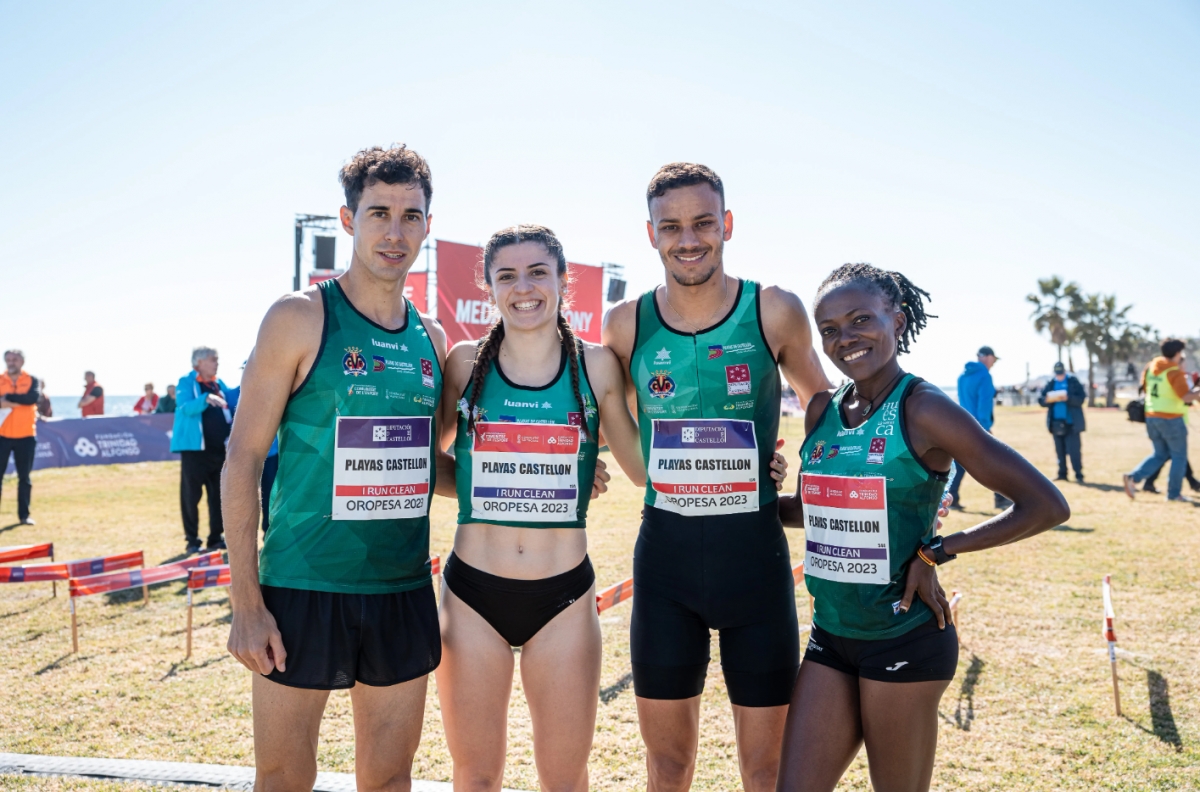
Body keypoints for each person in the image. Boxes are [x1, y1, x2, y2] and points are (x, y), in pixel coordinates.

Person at [775, 263, 1069, 792]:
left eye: (861, 319)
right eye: (831, 330)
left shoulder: (925, 409)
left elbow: (1045, 505)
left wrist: (936, 551)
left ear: (897, 317)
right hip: (830, 636)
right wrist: (740, 500)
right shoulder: (821, 409)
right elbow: (817, 510)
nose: (846, 338)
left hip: (903, 637)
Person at [224, 144, 452, 792]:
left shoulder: (431, 340)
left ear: (427, 228)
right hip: (301, 587)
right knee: (283, 777)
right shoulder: (298, 317)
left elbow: (422, 465)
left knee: (387, 779)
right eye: (378, 212)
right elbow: (240, 462)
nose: (394, 231)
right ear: (348, 220)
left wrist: (546, 480)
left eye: (411, 216)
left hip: (400, 590)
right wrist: (245, 603)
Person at [602, 162, 832, 792]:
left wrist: (804, 489)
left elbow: (827, 411)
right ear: (651, 234)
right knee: (667, 768)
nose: (689, 239)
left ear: (726, 224)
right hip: (665, 572)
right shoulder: (625, 324)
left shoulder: (774, 309)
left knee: (765, 771)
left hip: (755, 567)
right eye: (671, 226)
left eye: (704, 222)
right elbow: (605, 420)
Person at [435, 225, 646, 792]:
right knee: (475, 776)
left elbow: (642, 468)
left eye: (537, 273)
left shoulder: (597, 366)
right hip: (472, 595)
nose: (522, 287)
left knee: (564, 777)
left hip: (564, 599)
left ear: (562, 281)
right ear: (489, 287)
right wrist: (507, 485)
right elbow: (426, 462)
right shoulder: (463, 363)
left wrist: (748, 463)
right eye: (506, 275)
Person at [170, 347, 233, 553]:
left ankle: (216, 538)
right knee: (191, 496)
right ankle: (192, 541)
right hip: (195, 451)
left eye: (217, 359)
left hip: (219, 451)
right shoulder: (186, 382)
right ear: (199, 363)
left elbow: (232, 401)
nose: (217, 362)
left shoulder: (218, 383)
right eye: (213, 359)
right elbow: (186, 408)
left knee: (218, 496)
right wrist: (205, 399)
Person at [1123, 338, 1199, 503]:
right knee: (1179, 456)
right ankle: (1173, 494)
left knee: (1160, 454)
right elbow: (1185, 396)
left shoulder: (1151, 367)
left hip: (1151, 417)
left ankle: (1133, 478)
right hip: (1171, 418)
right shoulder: (1174, 372)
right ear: (1178, 353)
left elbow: (1143, 387)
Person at [948, 346, 1011, 510]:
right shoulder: (985, 376)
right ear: (987, 357)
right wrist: (985, 428)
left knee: (961, 464)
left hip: (963, 427)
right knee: (994, 461)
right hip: (979, 428)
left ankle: (952, 498)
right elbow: (984, 404)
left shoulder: (962, 376)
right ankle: (1002, 499)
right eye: (994, 359)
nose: (994, 363)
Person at [0, 349, 41, 525]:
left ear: (22, 361)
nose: (11, 362)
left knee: (24, 478)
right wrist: (19, 401)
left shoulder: (32, 380)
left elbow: (32, 398)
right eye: (8, 359)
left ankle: (24, 516)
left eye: (15, 359)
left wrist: (7, 398)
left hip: (26, 436)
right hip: (2, 436)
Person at [1037, 361, 1086, 483]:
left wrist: (1068, 398)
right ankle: (1062, 473)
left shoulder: (1073, 381)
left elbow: (1081, 399)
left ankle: (1078, 474)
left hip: (1072, 423)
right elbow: (1041, 400)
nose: (1059, 376)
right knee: (1060, 450)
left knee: (1074, 450)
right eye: (1057, 373)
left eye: (1061, 373)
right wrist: (1047, 399)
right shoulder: (1051, 383)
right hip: (1056, 423)